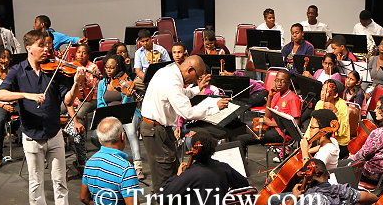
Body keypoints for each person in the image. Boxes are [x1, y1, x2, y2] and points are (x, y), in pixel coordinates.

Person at [0, 30, 82, 205]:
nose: (46, 50)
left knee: (60, 182)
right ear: (29, 48)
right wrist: (25, 95)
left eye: (47, 46)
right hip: (32, 136)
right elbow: (0, 94)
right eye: (41, 46)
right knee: (36, 182)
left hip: (54, 134)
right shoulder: (17, 71)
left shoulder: (55, 72)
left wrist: (77, 83)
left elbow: (68, 100)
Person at [140, 55, 229, 194]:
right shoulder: (172, 81)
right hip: (155, 130)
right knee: (164, 172)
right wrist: (215, 107)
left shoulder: (169, 71)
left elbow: (181, 94)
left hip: (159, 128)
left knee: (172, 168)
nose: (196, 80)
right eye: (198, 76)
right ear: (190, 70)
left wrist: (197, 88)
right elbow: (187, 112)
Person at [92, 53, 144, 179]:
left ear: (118, 68)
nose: (109, 70)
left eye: (112, 68)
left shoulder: (127, 81)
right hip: (110, 115)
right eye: (107, 67)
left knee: (131, 132)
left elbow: (128, 104)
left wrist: (128, 95)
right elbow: (100, 102)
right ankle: (110, 162)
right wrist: (108, 115)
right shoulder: (102, 84)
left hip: (127, 112)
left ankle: (138, 166)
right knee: (95, 136)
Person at [235, 69, 301, 156]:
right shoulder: (276, 95)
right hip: (271, 128)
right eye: (277, 80)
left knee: (241, 139)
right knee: (240, 130)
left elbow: (295, 124)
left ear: (289, 83)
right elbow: (267, 116)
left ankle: (241, 167)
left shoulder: (293, 98)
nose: (279, 84)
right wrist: (270, 97)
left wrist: (271, 123)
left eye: (282, 81)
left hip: (282, 134)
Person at [63, 43, 101, 174]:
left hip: (90, 98)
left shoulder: (93, 67)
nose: (81, 55)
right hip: (74, 97)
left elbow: (93, 86)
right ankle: (63, 134)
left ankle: (80, 151)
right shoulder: (70, 65)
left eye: (84, 52)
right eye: (79, 52)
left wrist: (83, 78)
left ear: (88, 55)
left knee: (79, 113)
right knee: (58, 108)